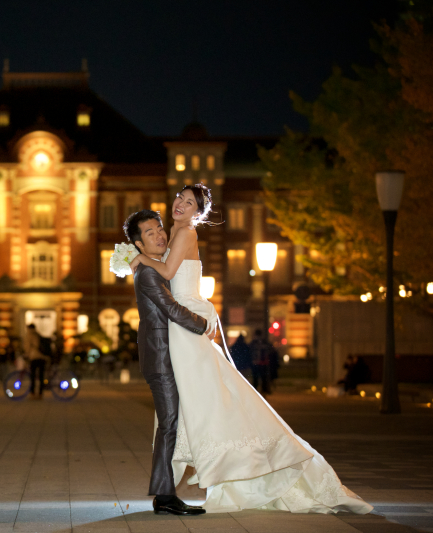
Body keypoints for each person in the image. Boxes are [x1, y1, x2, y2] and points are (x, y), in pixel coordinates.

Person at [127, 188, 372, 514]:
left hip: (186, 328)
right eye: (180, 198)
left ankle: (201, 474)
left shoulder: (185, 232)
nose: (181, 205)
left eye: (190, 203)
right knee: (193, 406)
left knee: (204, 403)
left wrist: (139, 258)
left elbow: (169, 273)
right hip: (180, 329)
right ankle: (175, 485)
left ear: (198, 212)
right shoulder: (172, 234)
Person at [124, 210, 212, 516]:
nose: (160, 236)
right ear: (139, 244)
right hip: (160, 358)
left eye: (159, 229)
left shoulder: (155, 268)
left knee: (171, 423)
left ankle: (165, 494)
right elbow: (171, 309)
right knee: (169, 423)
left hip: (167, 354)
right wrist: (204, 324)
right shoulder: (148, 274)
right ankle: (164, 496)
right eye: (150, 233)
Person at [25, 324, 47, 399]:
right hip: (42, 357)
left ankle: (33, 393)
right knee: (41, 376)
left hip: (34, 357)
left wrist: (26, 355)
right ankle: (40, 394)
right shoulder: (38, 334)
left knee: (33, 376)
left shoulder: (30, 335)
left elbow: (28, 347)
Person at [249, 329, 274, 395]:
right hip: (263, 363)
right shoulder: (265, 342)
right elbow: (271, 349)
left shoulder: (253, 343)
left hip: (255, 363)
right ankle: (263, 391)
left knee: (256, 378)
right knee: (263, 378)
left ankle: (255, 391)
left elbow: (249, 351)